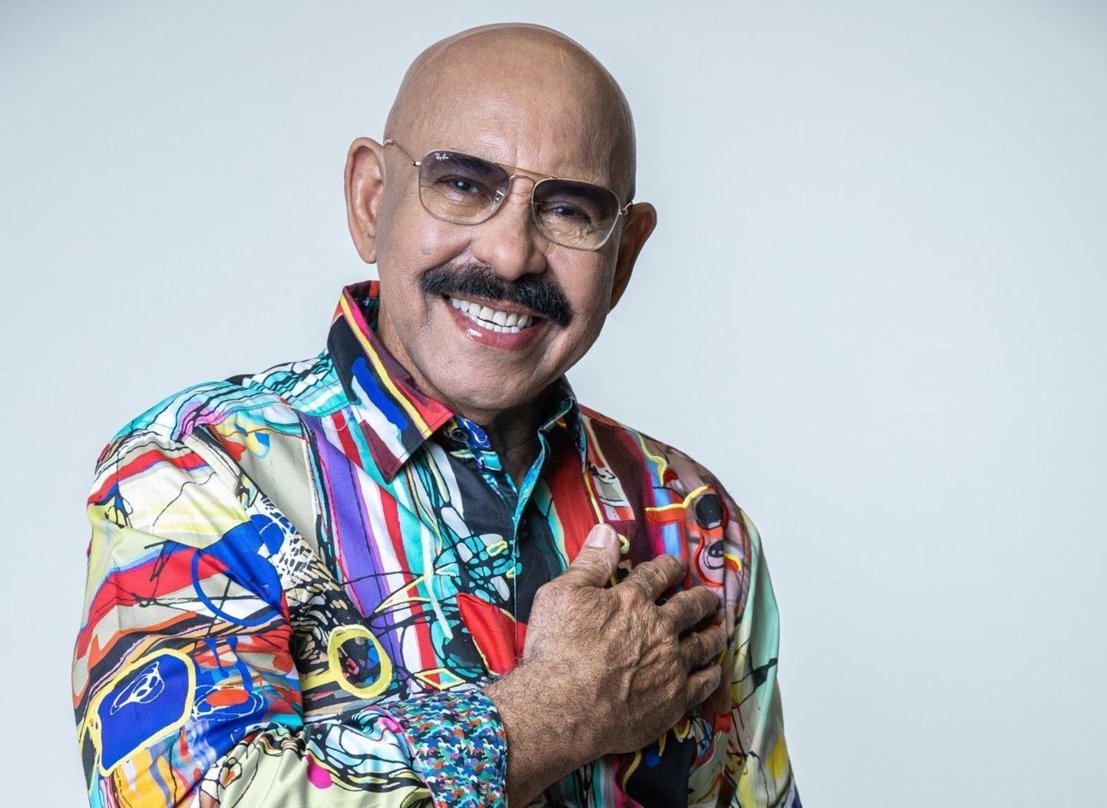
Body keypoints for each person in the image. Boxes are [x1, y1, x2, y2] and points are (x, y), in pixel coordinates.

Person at [71, 23, 800, 808]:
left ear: (622, 256)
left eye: (568, 209)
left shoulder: (695, 521)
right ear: (371, 201)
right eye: (463, 186)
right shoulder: (194, 469)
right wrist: (552, 715)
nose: (511, 254)